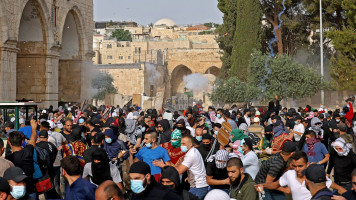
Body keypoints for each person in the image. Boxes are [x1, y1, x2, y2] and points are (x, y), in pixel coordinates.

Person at [6, 119, 37, 197]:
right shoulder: (28, 151)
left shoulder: (9, 158)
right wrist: (33, 128)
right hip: (31, 189)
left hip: (15, 192)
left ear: (9, 142)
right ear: (22, 140)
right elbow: (33, 140)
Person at [175, 135, 209, 199]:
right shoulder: (193, 151)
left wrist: (164, 166)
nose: (182, 146)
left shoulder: (191, 155)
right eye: (181, 143)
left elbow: (179, 171)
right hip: (199, 185)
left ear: (190, 144)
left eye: (184, 144)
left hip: (198, 187)